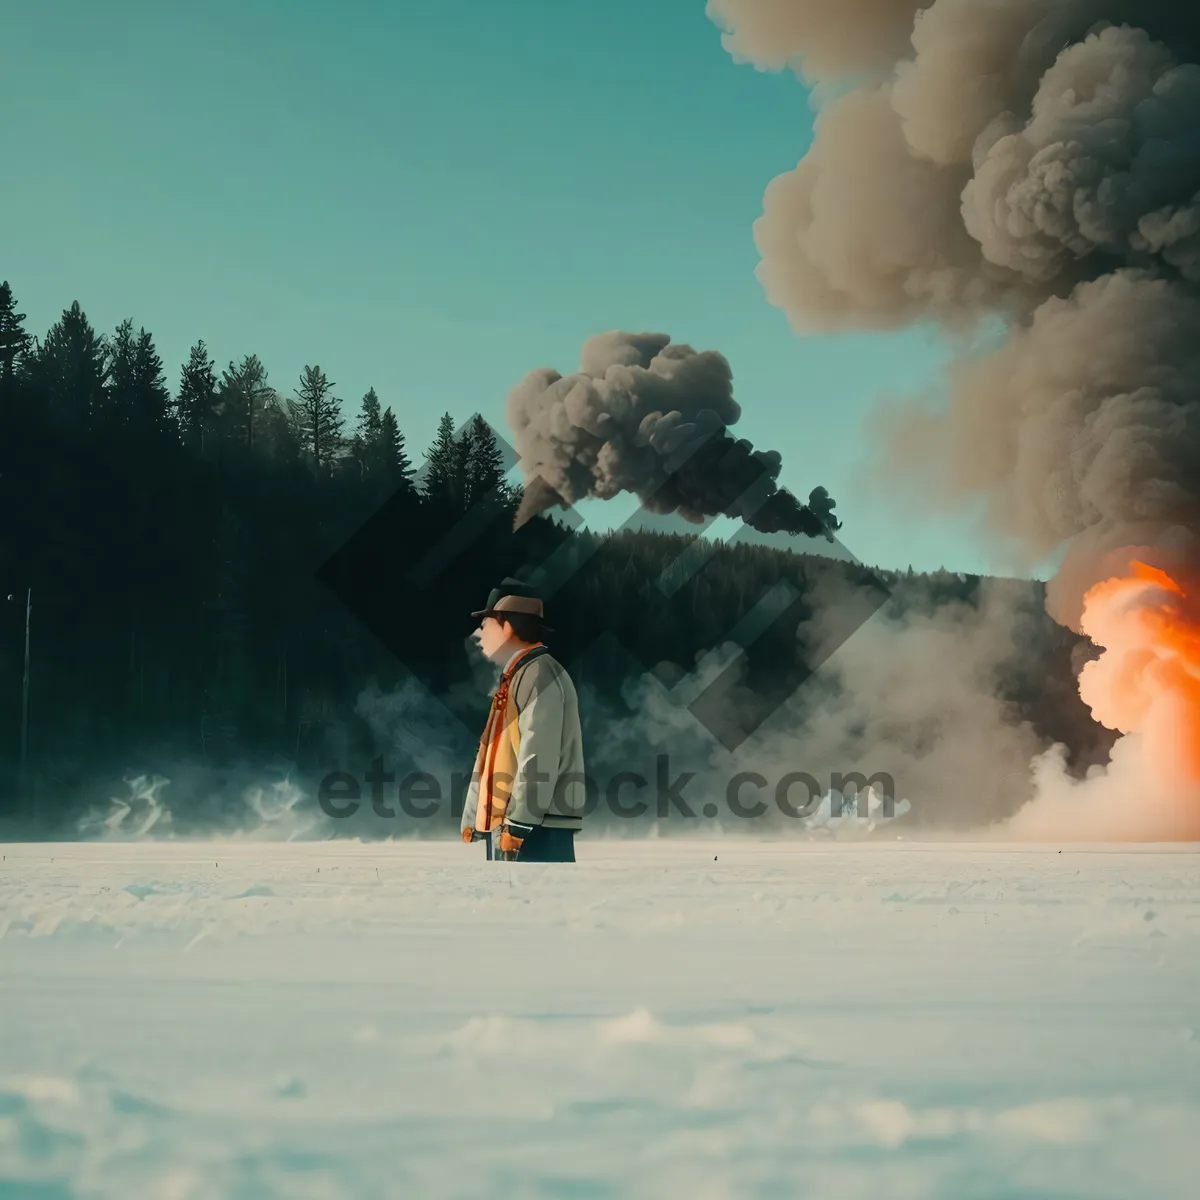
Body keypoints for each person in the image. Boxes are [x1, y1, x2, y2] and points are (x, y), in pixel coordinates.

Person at [461, 578, 585, 862]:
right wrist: (476, 817)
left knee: (536, 903)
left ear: (508, 625)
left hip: (536, 828)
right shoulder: (519, 674)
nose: (479, 634)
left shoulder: (539, 675)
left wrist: (519, 823)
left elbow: (538, 754)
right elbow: (491, 752)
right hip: (515, 823)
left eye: (486, 624)